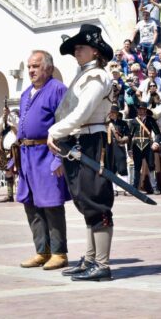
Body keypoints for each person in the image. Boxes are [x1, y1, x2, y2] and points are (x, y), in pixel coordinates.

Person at [47, 24, 114, 281]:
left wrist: (56, 130)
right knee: (86, 202)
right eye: (75, 48)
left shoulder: (97, 76)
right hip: (80, 139)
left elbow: (83, 112)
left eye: (81, 47)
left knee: (97, 201)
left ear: (95, 51)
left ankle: (102, 263)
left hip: (93, 139)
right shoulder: (84, 75)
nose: (77, 52)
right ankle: (90, 258)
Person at [14, 50, 69, 271]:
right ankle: (42, 251)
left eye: (35, 66)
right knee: (31, 205)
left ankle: (59, 252)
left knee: (51, 204)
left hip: (46, 154)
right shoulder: (26, 93)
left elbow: (66, 124)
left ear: (48, 67)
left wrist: (59, 158)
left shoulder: (57, 90)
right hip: (27, 156)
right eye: (29, 67)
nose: (31, 71)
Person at [128, 102, 161, 195]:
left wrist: (156, 142)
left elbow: (158, 133)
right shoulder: (133, 121)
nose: (141, 111)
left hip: (148, 145)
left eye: (142, 109)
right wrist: (129, 149)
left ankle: (154, 187)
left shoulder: (150, 120)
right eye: (139, 109)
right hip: (137, 146)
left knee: (151, 166)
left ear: (145, 110)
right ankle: (135, 188)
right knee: (137, 167)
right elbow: (129, 136)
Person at [0, 107, 19, 203]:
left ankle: (20, 194)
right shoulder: (5, 127)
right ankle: (10, 195)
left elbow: (17, 124)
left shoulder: (18, 125)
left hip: (17, 152)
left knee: (18, 173)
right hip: (7, 152)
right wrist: (4, 116)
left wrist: (11, 117)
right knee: (8, 173)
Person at [105, 106, 130, 197]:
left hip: (119, 146)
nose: (111, 114)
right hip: (109, 147)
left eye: (112, 112)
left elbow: (128, 135)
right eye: (110, 112)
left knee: (122, 167)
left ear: (116, 114)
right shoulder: (106, 124)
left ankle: (126, 188)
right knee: (111, 168)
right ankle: (113, 189)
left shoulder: (123, 123)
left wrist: (123, 139)